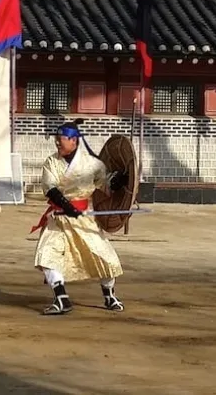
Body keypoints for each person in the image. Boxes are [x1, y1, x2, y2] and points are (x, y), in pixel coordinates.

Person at [31, 119, 129, 316]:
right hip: (58, 217)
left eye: (61, 139)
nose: (57, 143)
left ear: (74, 141)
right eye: (56, 140)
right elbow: (50, 188)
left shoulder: (93, 164)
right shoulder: (51, 162)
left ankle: (109, 295)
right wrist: (66, 206)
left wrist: (120, 181)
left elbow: (106, 187)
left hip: (84, 218)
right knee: (47, 254)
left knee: (104, 256)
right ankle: (61, 298)